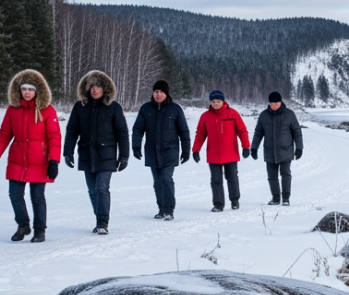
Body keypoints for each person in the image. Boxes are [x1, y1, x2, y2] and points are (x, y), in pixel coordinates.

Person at [0, 69, 61, 242]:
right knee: (14, 194)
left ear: (37, 91)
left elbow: (54, 137)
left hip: (39, 160)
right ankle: (23, 225)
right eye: (24, 88)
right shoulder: (13, 110)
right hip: (18, 159)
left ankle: (40, 230)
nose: (27, 92)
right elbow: (5, 134)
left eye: (31, 89)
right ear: (19, 90)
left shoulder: (47, 110)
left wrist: (54, 161)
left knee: (37, 197)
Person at [63, 70, 129, 235]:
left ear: (104, 88)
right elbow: (72, 130)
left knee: (101, 188)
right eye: (91, 85)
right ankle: (99, 218)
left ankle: (102, 222)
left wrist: (124, 156)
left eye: (98, 86)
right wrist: (68, 152)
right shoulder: (80, 107)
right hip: (86, 154)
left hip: (106, 154)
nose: (94, 89)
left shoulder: (113, 107)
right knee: (92, 190)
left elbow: (122, 133)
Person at [132, 79, 191, 220]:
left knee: (166, 178)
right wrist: (136, 146)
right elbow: (138, 129)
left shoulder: (175, 109)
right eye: (156, 92)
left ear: (166, 93)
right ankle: (161, 209)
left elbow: (184, 131)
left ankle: (169, 210)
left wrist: (186, 150)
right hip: (152, 151)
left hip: (170, 150)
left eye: (161, 92)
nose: (158, 94)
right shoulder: (146, 109)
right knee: (157, 181)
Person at [192, 89, 251, 212]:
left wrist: (246, 147)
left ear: (223, 101)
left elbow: (242, 131)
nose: (215, 103)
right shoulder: (205, 116)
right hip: (213, 154)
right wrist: (196, 150)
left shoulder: (233, 114)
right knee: (216, 180)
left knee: (232, 178)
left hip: (230, 152)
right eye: (213, 101)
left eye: (218, 101)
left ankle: (235, 200)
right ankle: (218, 204)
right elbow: (200, 134)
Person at [250, 91, 303, 206]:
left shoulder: (289, 114)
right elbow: (258, 132)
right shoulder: (263, 115)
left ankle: (285, 198)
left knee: (285, 174)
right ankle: (275, 198)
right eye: (271, 103)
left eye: (276, 103)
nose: (273, 106)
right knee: (272, 176)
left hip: (285, 150)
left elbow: (297, 132)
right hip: (269, 151)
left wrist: (299, 147)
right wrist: (254, 147)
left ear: (280, 102)